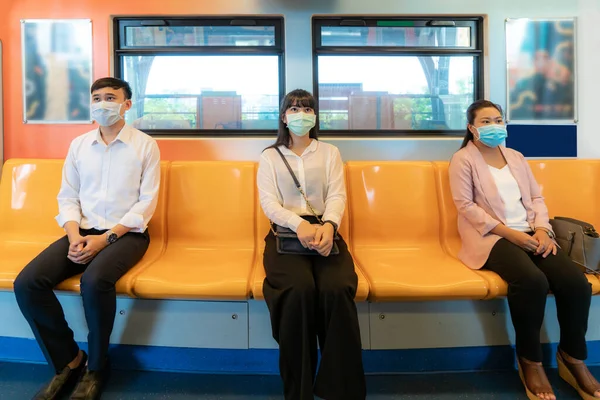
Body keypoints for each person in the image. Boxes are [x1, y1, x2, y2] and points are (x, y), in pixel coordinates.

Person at [14, 77, 161, 400]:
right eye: (97, 98)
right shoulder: (79, 145)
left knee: (94, 282)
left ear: (126, 104)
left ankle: (96, 365)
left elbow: (146, 203)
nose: (102, 104)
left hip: (127, 234)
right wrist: (74, 235)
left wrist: (105, 239)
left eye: (111, 97)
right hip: (80, 232)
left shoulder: (144, 145)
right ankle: (68, 361)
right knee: (27, 283)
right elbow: (67, 196)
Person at [449, 99, 599, 400]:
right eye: (486, 122)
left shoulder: (516, 157)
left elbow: (537, 199)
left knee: (575, 283)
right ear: (471, 128)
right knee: (531, 281)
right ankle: (530, 361)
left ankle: (572, 357)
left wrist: (543, 230)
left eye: (498, 120)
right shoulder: (463, 160)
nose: (494, 126)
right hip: (492, 236)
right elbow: (465, 206)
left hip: (533, 233)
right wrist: (512, 236)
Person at [257, 89, 366, 400]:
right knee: (297, 291)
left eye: (306, 108)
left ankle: (339, 389)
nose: (300, 113)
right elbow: (269, 203)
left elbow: (337, 195)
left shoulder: (329, 152)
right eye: (293, 108)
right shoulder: (269, 156)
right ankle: (298, 390)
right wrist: (299, 224)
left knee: (338, 289)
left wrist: (329, 226)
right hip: (285, 234)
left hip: (326, 231)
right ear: (283, 116)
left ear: (315, 116)